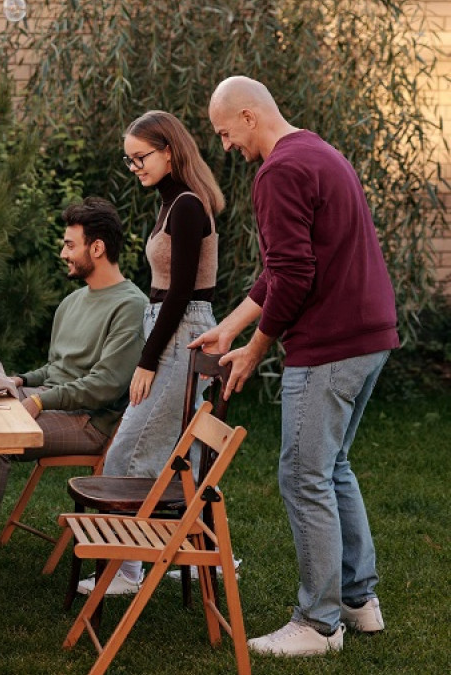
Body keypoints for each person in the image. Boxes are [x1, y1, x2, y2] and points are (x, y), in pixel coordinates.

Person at [195, 76, 398, 657]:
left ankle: (318, 623)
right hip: (368, 336)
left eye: (225, 131)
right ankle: (359, 603)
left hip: (330, 345)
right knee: (332, 468)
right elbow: (284, 267)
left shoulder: (278, 171)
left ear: (250, 115)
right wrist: (230, 327)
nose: (226, 145)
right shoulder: (318, 151)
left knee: (303, 476)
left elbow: (295, 275)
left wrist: (256, 348)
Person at [0, 197, 147, 582]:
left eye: (70, 244)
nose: (62, 252)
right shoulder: (72, 302)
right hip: (54, 401)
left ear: (96, 248)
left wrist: (37, 400)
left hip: (89, 422)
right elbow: (58, 368)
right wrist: (20, 381)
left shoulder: (130, 306)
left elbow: (105, 385)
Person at [83, 110, 225, 596]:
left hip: (180, 331)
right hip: (168, 325)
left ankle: (128, 567)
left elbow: (183, 291)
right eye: (129, 161)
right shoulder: (170, 203)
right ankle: (177, 553)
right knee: (145, 444)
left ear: (169, 150)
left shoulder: (186, 206)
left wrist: (147, 359)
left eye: (140, 157)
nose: (135, 167)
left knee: (132, 447)